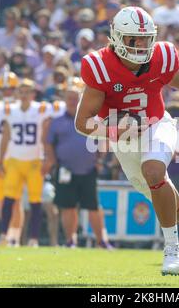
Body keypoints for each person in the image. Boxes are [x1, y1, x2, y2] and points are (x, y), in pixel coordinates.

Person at [75, 6, 179, 276]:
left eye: (146, 38)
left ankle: (172, 248)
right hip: (125, 140)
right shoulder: (100, 66)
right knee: (166, 198)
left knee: (154, 171)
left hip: (158, 125)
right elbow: (82, 122)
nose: (142, 45)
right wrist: (112, 132)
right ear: (117, 37)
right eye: (135, 39)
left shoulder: (162, 57)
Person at [45, 78, 112, 249]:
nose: (72, 101)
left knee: (93, 206)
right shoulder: (57, 121)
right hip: (65, 170)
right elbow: (49, 143)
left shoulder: (91, 119)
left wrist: (100, 159)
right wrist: (52, 161)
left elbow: (104, 139)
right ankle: (70, 240)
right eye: (69, 98)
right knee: (68, 207)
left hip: (89, 169)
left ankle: (102, 241)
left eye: (75, 97)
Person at [0, 78, 52, 247]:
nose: (24, 95)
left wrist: (45, 157)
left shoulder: (41, 109)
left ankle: (33, 238)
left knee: (35, 201)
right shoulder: (9, 110)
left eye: (27, 91)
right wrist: (0, 160)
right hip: (14, 159)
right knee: (8, 200)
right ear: (17, 93)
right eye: (21, 91)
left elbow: (45, 137)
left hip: (34, 161)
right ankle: (4, 236)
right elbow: (5, 137)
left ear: (33, 93)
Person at [0, 72, 24, 246]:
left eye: (11, 89)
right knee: (2, 200)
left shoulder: (23, 108)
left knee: (15, 201)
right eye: (4, 89)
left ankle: (15, 237)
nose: (7, 92)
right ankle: (5, 236)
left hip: (16, 157)